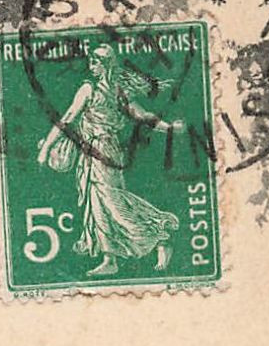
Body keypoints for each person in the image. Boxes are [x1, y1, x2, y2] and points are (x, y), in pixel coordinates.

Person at [38, 42, 183, 277]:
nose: (91, 66)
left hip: (103, 150)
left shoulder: (109, 91)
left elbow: (142, 115)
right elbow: (68, 118)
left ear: (105, 65)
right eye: (91, 61)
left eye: (95, 62)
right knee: (102, 202)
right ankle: (111, 258)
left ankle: (158, 238)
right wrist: (47, 146)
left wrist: (168, 128)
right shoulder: (98, 89)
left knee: (111, 201)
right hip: (97, 151)